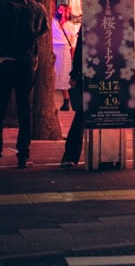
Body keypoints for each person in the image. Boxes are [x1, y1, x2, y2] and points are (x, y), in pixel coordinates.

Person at [0, 0, 48, 169]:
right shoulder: (38, 8)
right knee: (24, 109)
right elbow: (43, 30)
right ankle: (23, 155)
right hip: (26, 62)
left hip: (3, 62)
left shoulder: (0, 6)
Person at [61, 29, 84, 167]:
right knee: (81, 116)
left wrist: (74, 74)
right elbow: (80, 50)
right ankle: (70, 155)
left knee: (81, 116)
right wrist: (74, 73)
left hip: (95, 73)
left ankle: (70, 156)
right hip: (89, 75)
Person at [52, 5, 75, 111]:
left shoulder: (52, 22)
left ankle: (52, 102)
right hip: (65, 51)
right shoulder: (70, 26)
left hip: (53, 51)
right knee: (64, 76)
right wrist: (73, 57)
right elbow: (72, 44)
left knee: (53, 75)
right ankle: (66, 101)